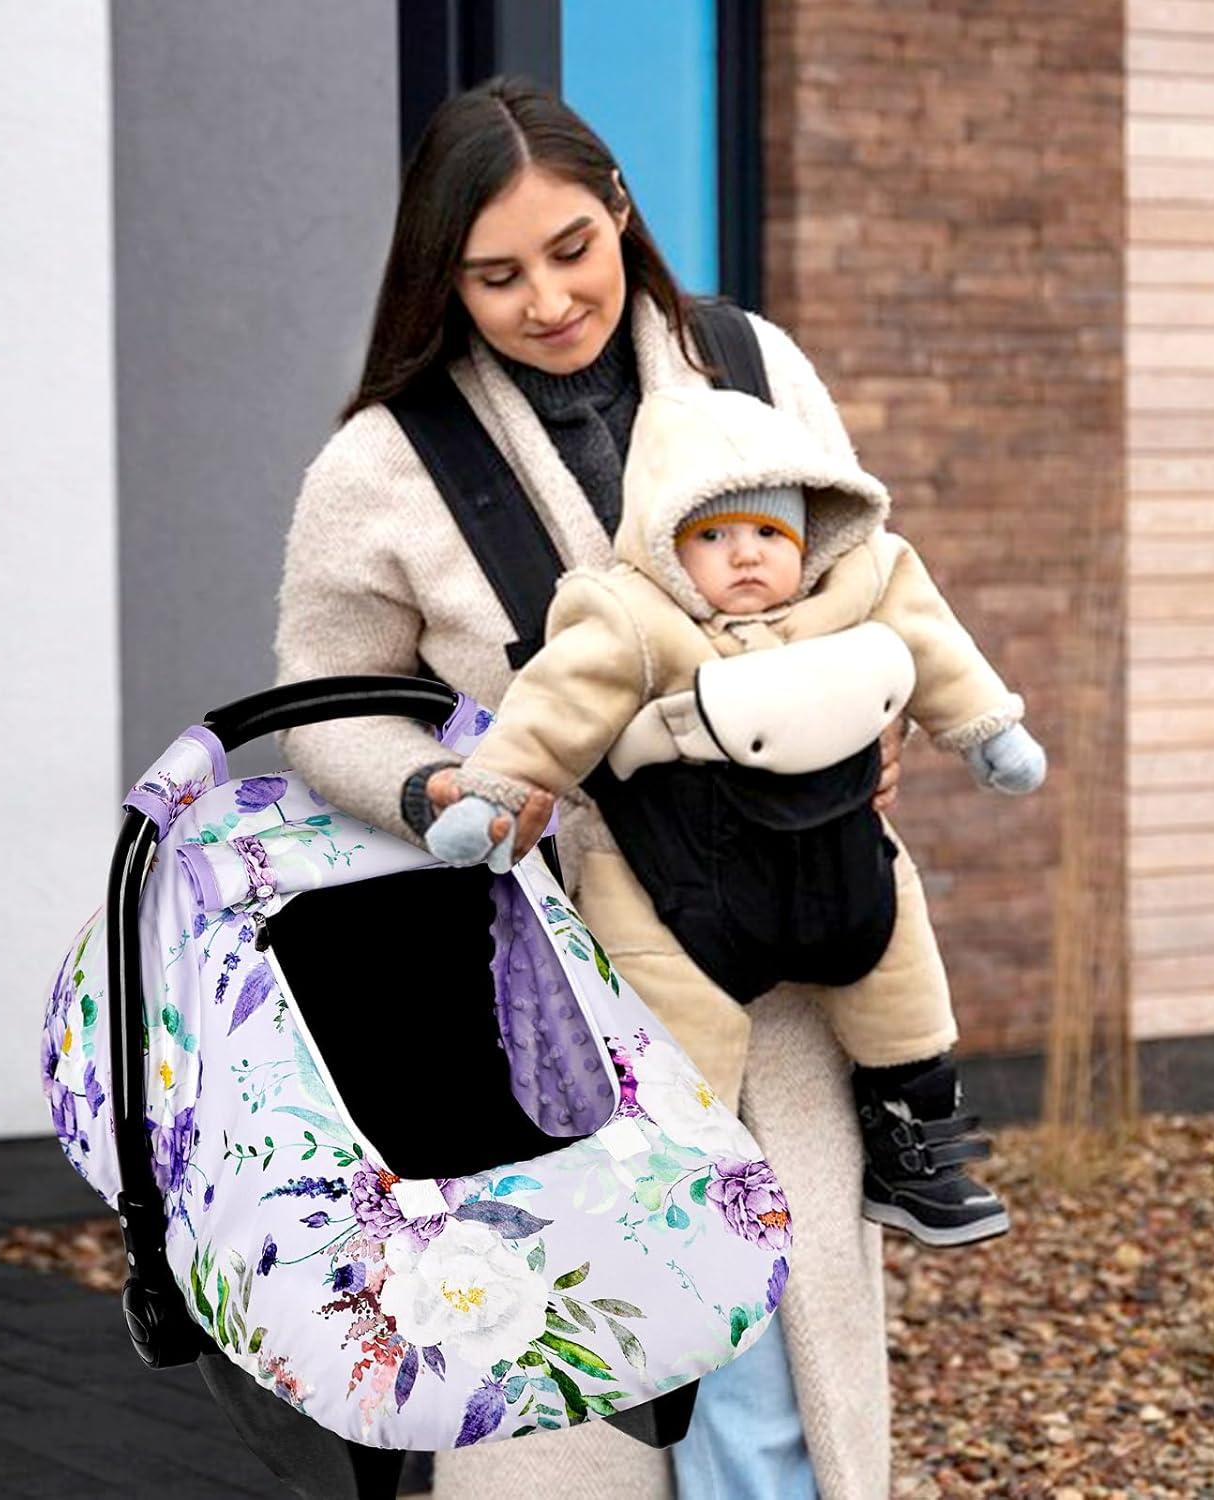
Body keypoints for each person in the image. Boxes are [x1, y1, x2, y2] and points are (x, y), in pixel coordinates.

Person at [275, 76, 901, 1499]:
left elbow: (868, 570)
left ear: (620, 207)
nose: (548, 298)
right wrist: (442, 786)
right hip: (553, 979)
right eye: (495, 276)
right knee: (578, 1371)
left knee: (777, 1363)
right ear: (444, 278)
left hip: (786, 945)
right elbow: (327, 706)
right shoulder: (383, 463)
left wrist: (884, 697)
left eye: (572, 249)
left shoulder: (753, 366)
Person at [422, 385, 1046, 1248]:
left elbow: (935, 643)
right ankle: (677, 1190)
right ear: (667, 546)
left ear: (810, 538)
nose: (744, 556)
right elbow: (557, 702)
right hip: (680, 874)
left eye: (768, 534)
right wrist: (494, 788)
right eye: (712, 537)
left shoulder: (860, 584)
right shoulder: (634, 616)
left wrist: (988, 729)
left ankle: (915, 1144)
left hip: (838, 856)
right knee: (676, 1027)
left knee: (899, 969)